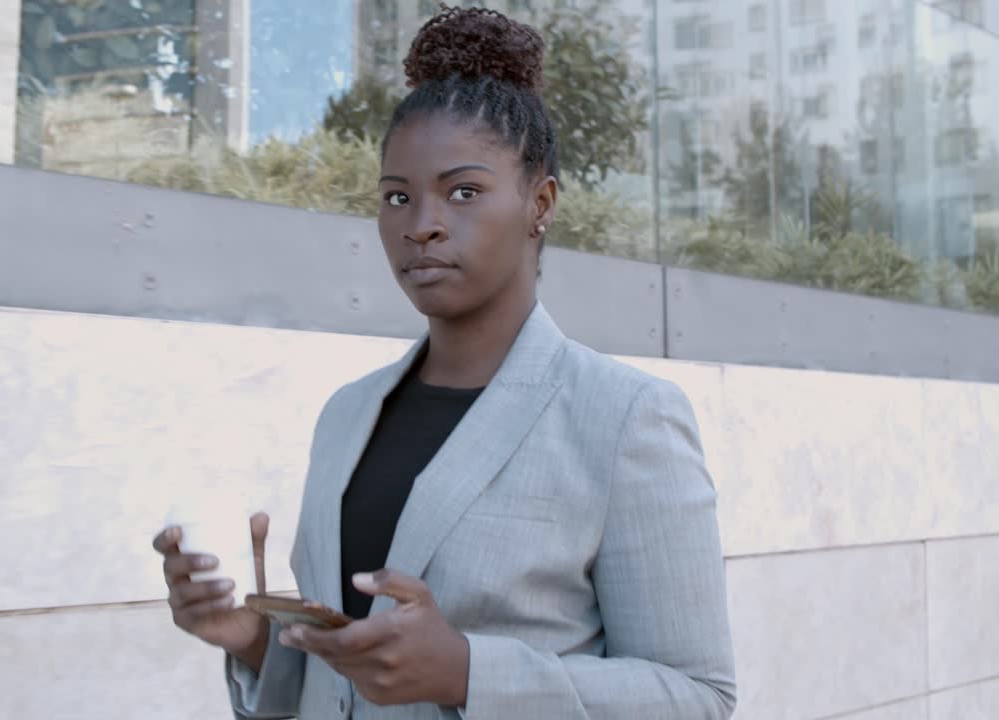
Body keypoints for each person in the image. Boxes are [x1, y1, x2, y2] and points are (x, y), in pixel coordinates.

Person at [152, 6, 736, 718]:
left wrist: (468, 673)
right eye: (398, 197)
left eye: (463, 191)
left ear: (539, 203)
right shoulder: (347, 415)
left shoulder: (625, 417)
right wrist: (251, 642)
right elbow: (343, 681)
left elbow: (697, 697)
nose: (420, 223)